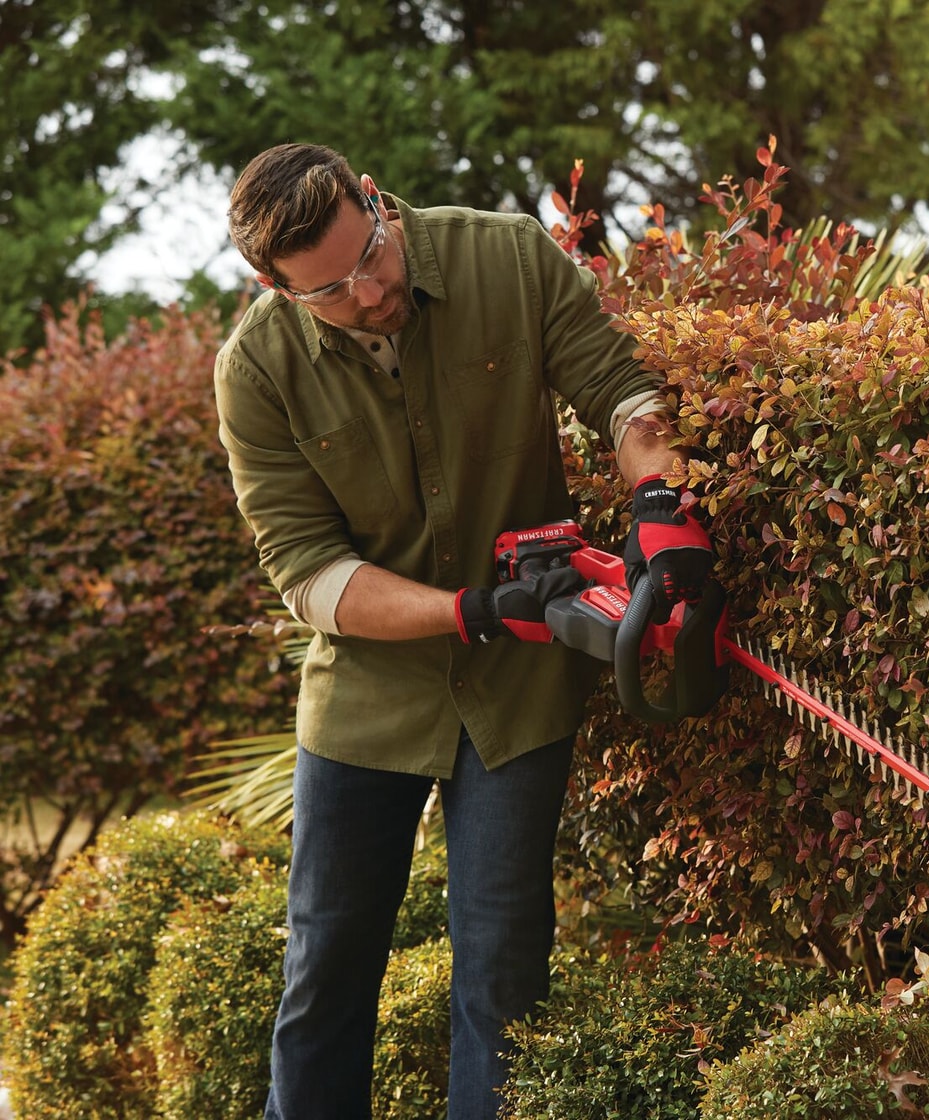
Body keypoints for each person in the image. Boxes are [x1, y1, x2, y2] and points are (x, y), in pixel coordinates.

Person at [213, 142, 713, 1119]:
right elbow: (308, 573)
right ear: (276, 289)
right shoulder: (258, 370)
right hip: (368, 696)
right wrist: (470, 611)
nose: (369, 293)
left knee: (502, 964)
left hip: (516, 691)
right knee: (327, 965)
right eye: (330, 292)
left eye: (370, 256)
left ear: (373, 199)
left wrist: (660, 500)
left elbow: (622, 391)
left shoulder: (507, 258)